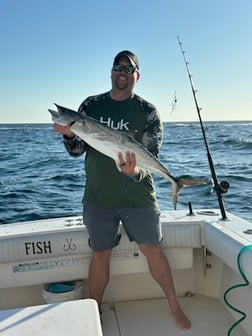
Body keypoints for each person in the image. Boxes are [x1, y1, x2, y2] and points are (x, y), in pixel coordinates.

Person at [53, 50, 191, 331]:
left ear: (137, 76)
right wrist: (70, 135)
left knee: (152, 249)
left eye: (129, 69)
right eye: (118, 67)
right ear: (111, 71)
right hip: (98, 195)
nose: (122, 73)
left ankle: (174, 305)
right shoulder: (90, 106)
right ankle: (96, 312)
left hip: (139, 196)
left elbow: (150, 155)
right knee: (100, 254)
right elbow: (78, 151)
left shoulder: (148, 112)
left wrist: (134, 172)